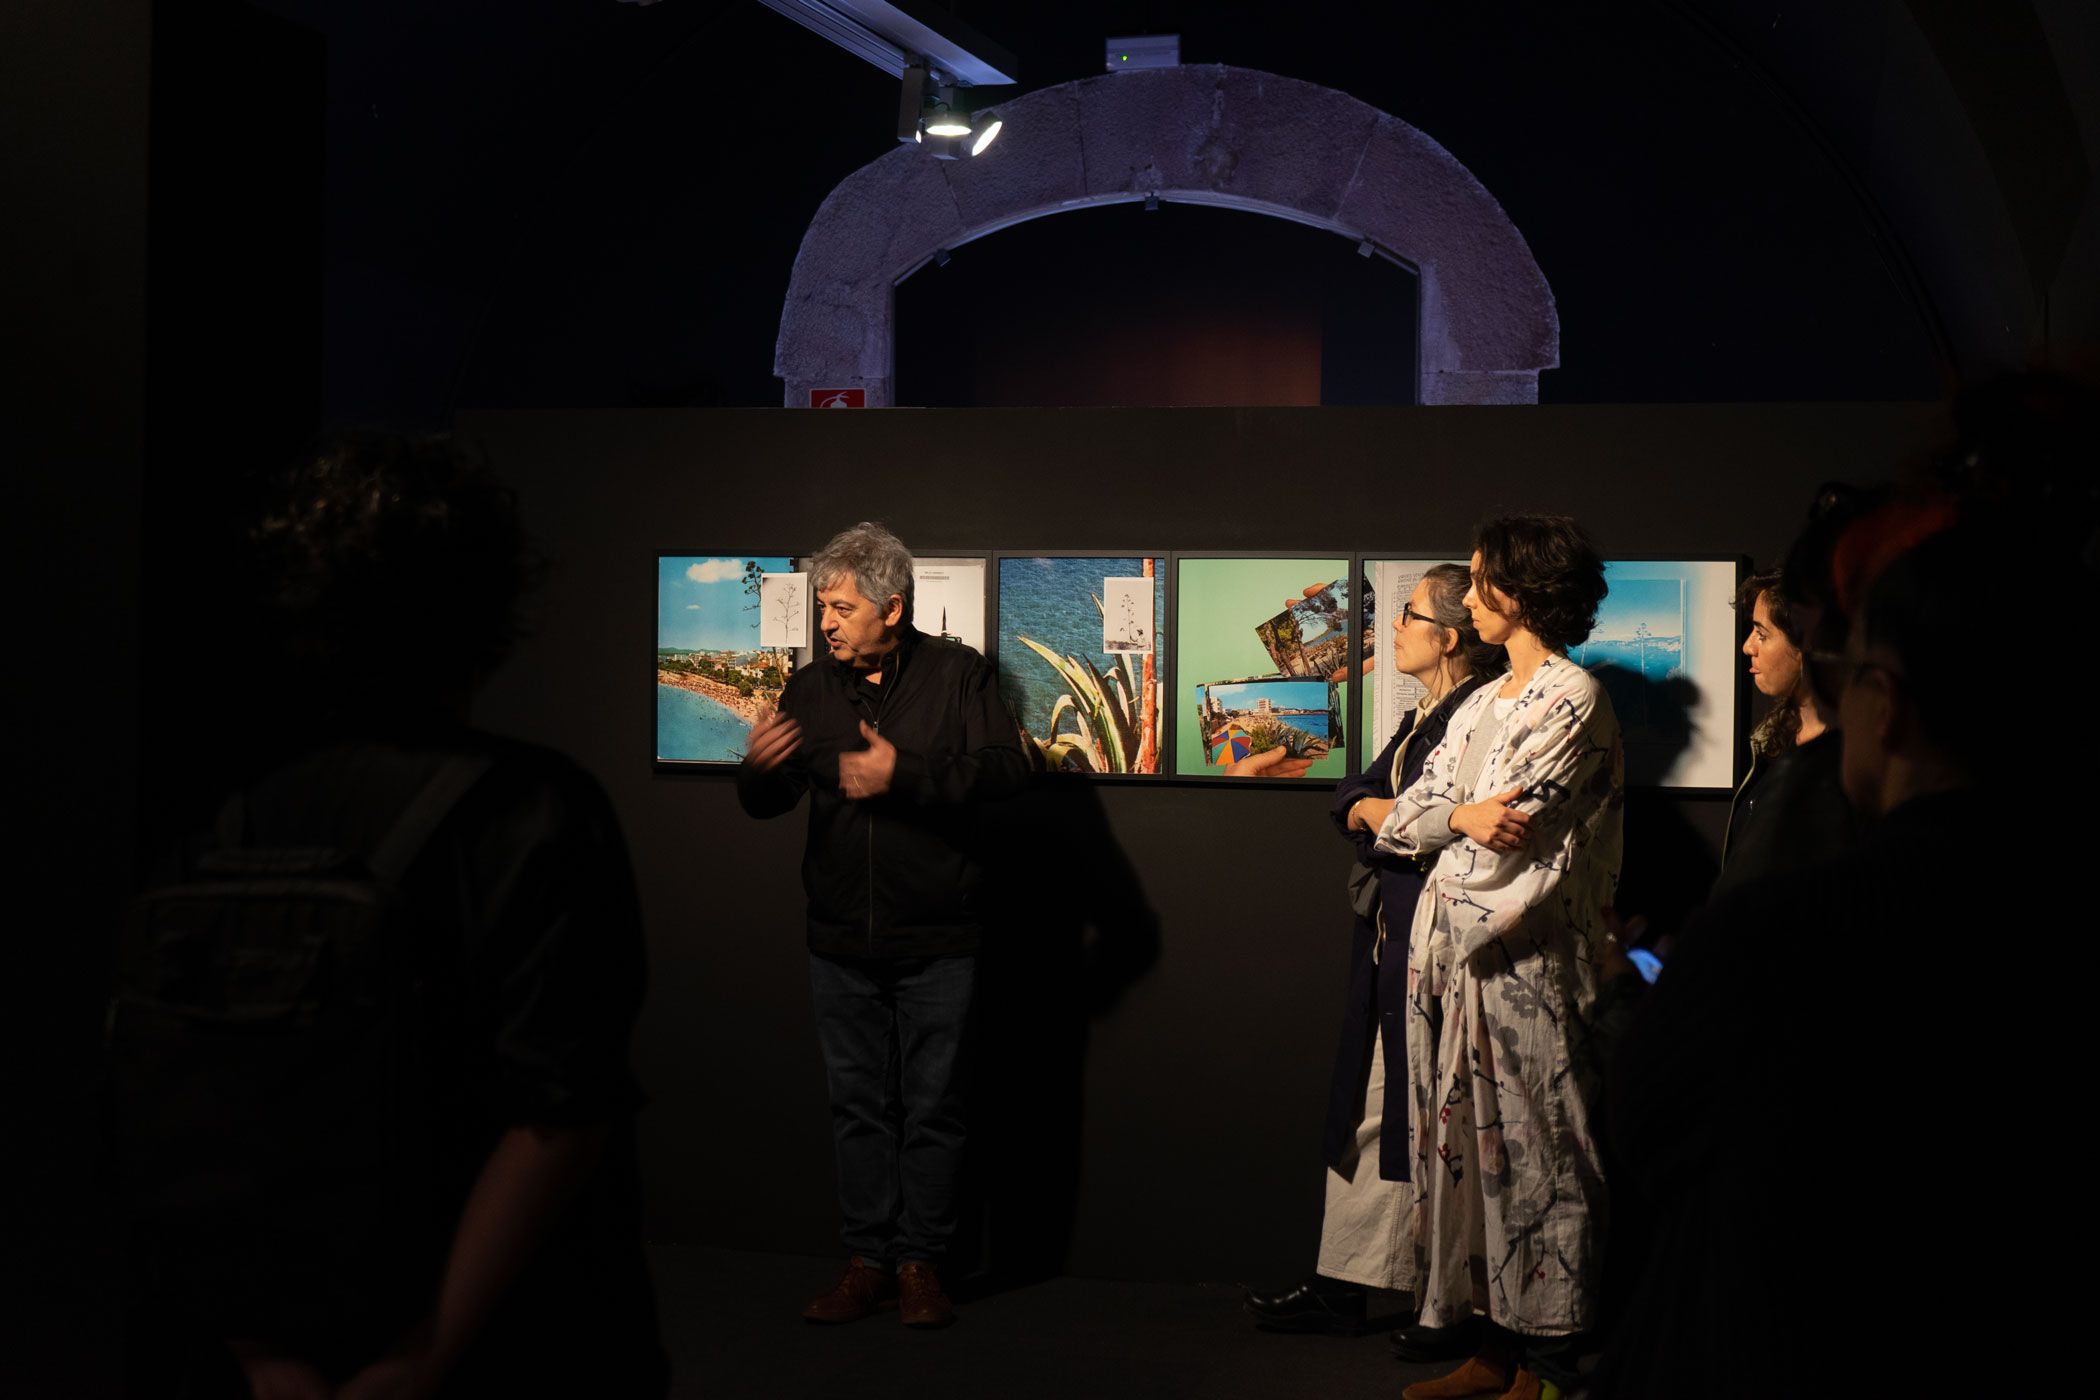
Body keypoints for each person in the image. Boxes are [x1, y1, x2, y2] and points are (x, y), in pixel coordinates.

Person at [114, 431, 666, 1398]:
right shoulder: (536, 808)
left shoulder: (231, 810)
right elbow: (562, 1112)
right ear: (488, 603)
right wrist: (422, 1358)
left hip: (281, 1306)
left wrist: (263, 1353)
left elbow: (172, 1090)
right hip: (521, 1332)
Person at [737, 521, 1029, 1329]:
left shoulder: (958, 675)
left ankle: (920, 1264)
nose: (826, 623)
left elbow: (1009, 770)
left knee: (934, 1109)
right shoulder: (810, 689)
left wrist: (907, 773)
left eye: (841, 608)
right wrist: (755, 771)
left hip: (939, 938)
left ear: (892, 607)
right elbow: (769, 801)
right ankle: (867, 1260)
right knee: (858, 1109)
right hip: (838, 939)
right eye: (822, 608)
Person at [1373, 516, 1623, 1400]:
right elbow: (1410, 815)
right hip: (1460, 969)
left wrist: (1455, 827)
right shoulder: (1483, 701)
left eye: (1482, 580)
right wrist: (1458, 817)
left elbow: (1513, 836)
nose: (1470, 596)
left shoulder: (1574, 698)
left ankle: (1549, 1362)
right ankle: (1493, 1345)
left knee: (1542, 1152)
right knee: (1469, 1160)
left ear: (1523, 591)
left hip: (1532, 966)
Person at [1243, 564, 1501, 1357]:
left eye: (1407, 614)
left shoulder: (1475, 714)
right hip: (1395, 936)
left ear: (1447, 638)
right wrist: (1378, 814)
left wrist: (1389, 818)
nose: (1392, 626)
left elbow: (1426, 821)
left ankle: (1447, 1301)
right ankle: (1350, 1283)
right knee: (1375, 1104)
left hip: (1438, 943)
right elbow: (1356, 798)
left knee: (1429, 1117)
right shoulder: (1427, 715)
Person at [1708, 570, 1852, 899]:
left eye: (1762, 634)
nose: (1747, 646)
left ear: (1806, 645)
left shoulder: (1850, 755)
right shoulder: (1774, 738)